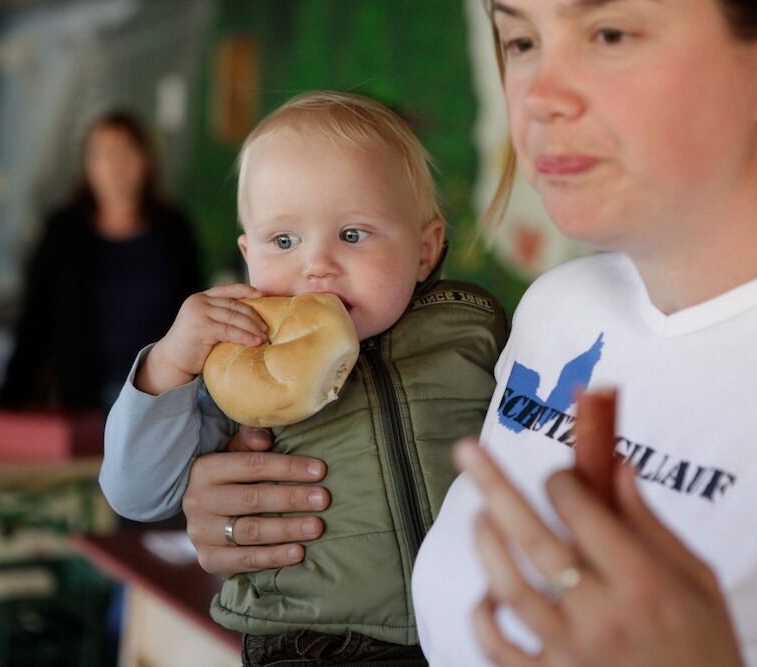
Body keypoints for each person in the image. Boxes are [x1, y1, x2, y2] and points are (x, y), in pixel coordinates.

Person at [173, 1, 757, 666]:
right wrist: (270, 518)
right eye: (522, 41)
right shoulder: (559, 310)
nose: (538, 96)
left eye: (608, 34)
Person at [100, 91, 507, 665]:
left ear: (424, 249)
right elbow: (138, 493)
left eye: (353, 234)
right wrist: (169, 364)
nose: (317, 266)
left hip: (470, 628)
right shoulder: (240, 358)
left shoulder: (473, 330)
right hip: (309, 640)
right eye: (283, 241)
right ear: (248, 254)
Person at [0, 111, 203, 410]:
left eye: (126, 151)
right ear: (87, 167)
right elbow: (35, 318)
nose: (115, 165)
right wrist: (8, 401)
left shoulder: (173, 229)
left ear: (146, 160)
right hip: (83, 400)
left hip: (162, 396)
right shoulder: (63, 231)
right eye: (103, 154)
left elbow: (195, 308)